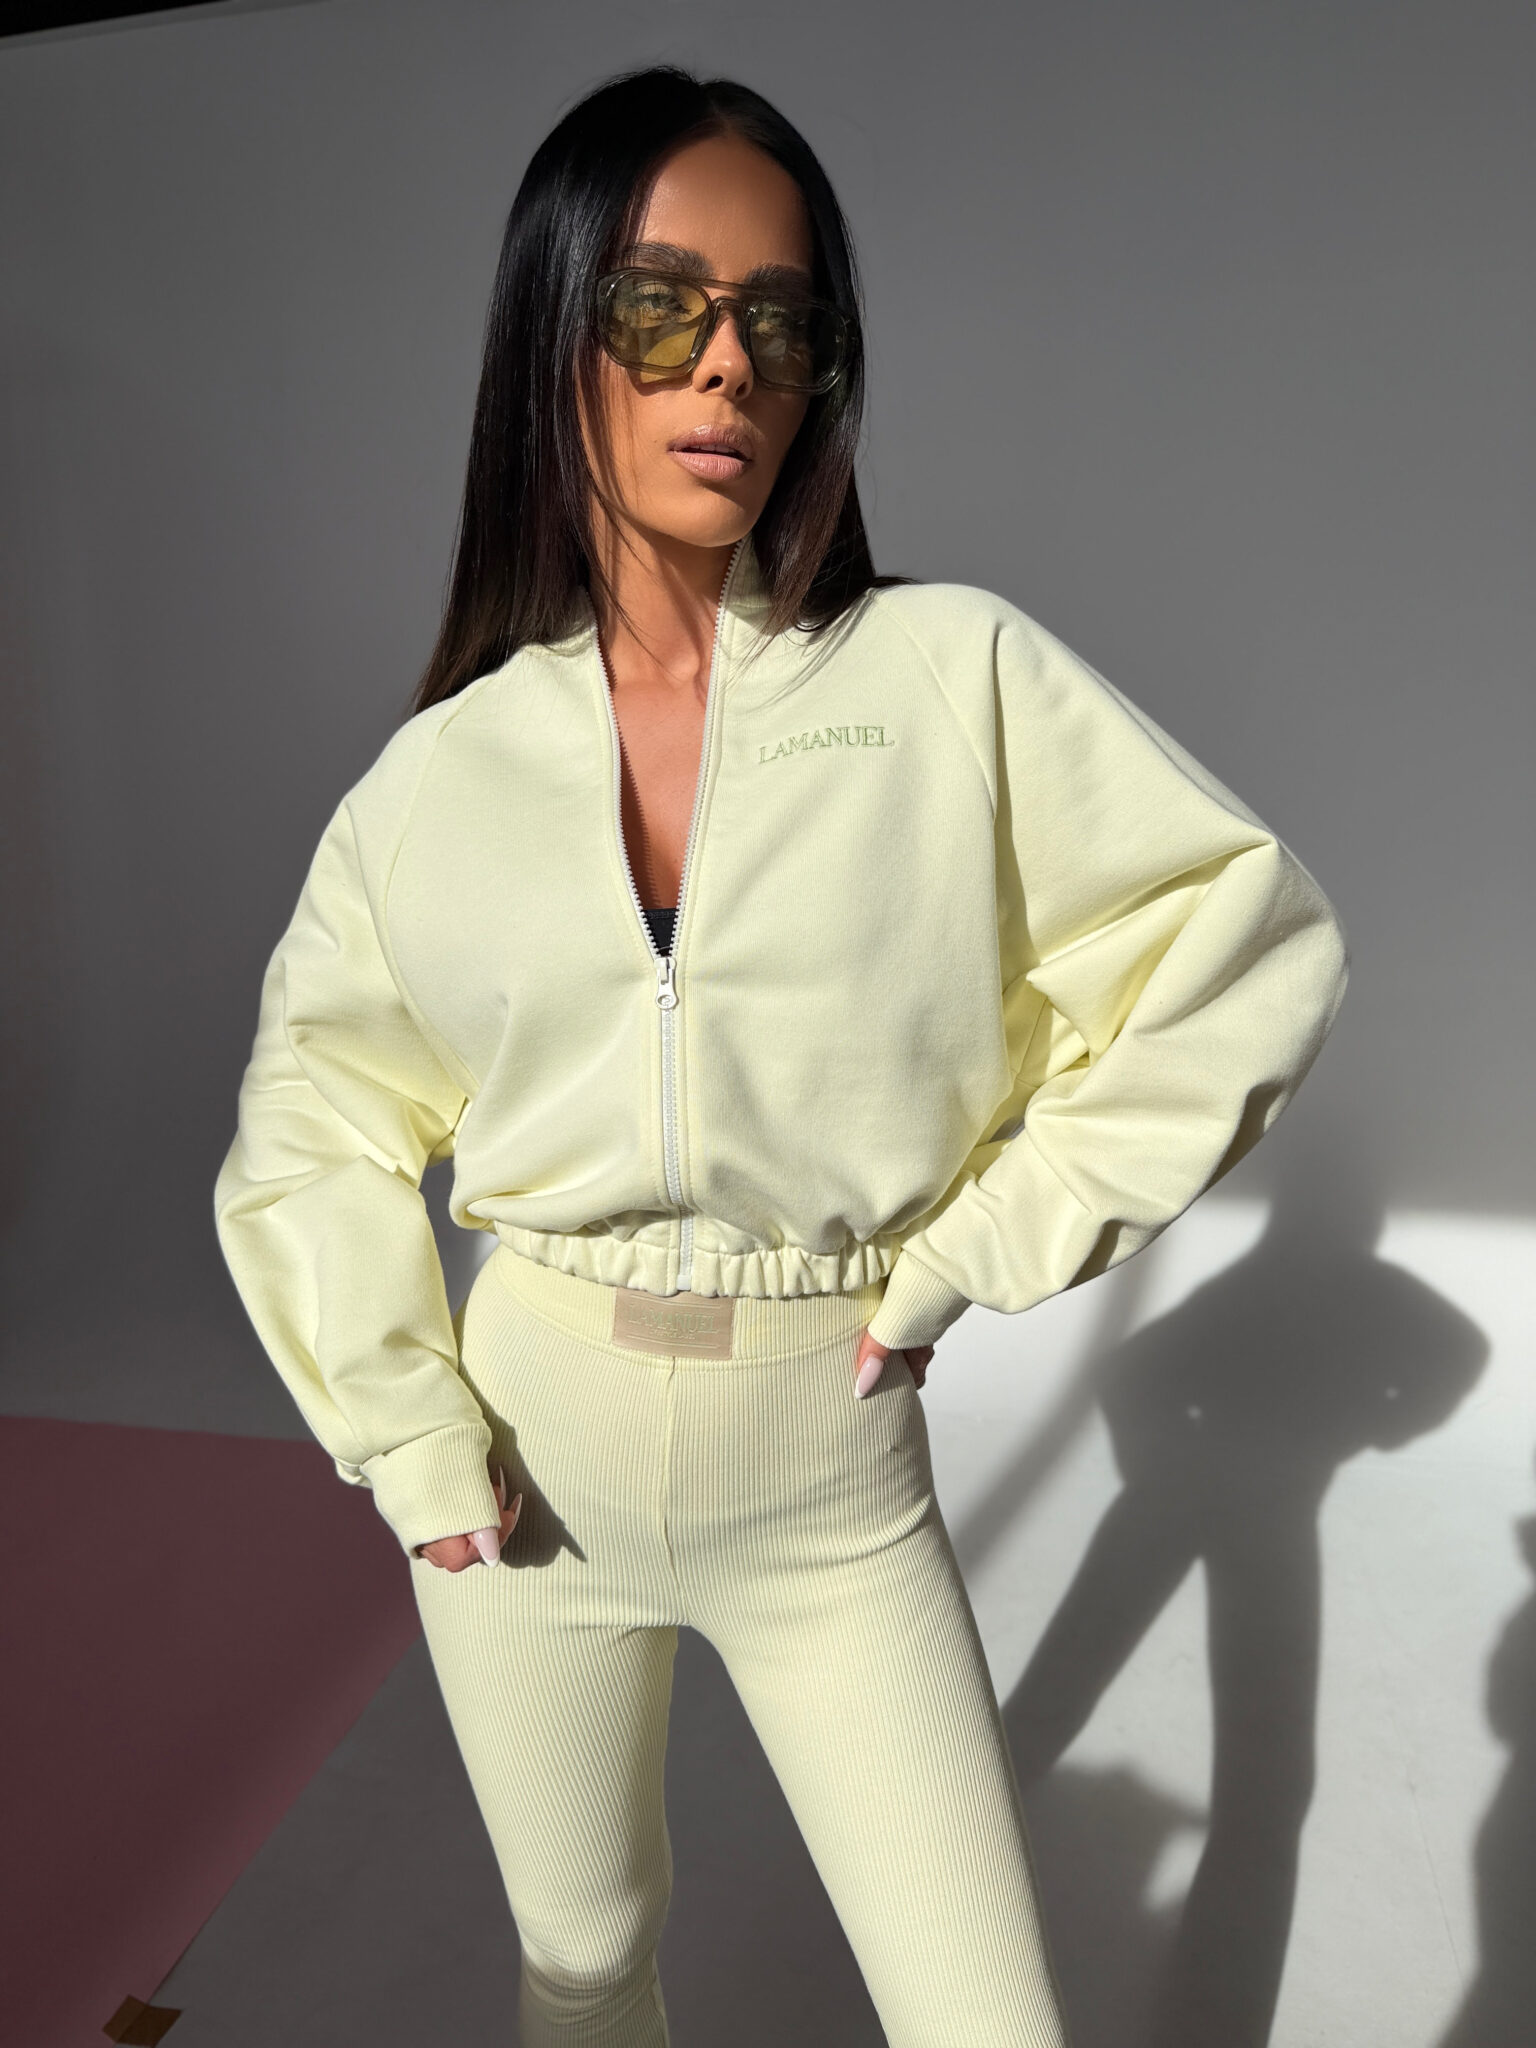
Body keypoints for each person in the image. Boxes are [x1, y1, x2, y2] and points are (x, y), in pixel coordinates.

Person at [213, 63, 1347, 2048]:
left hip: (829, 1468)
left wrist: (971, 1247)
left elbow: (1242, 949)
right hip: (528, 1465)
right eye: (662, 308)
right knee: (584, 1956)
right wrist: (407, 1433)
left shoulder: (949, 677)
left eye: (781, 320)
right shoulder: (441, 776)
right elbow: (314, 1112)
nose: (728, 363)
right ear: (556, 334)